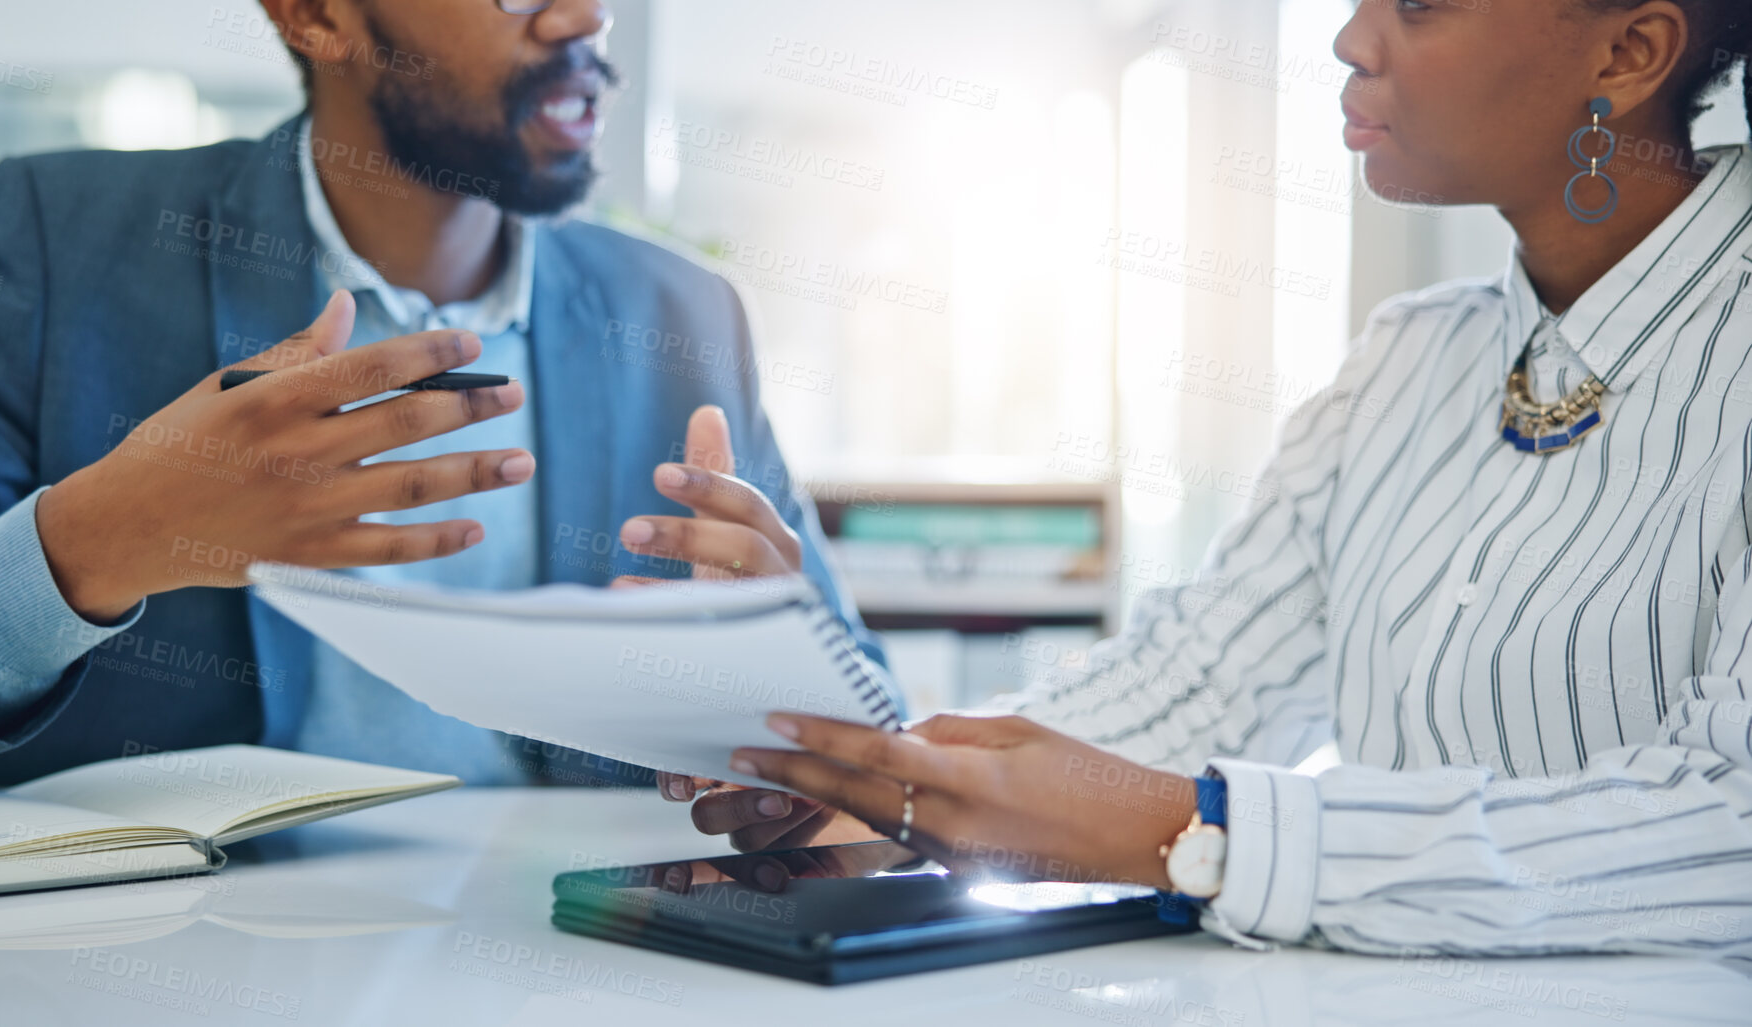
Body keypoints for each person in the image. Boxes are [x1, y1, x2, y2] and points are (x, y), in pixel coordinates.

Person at [655, 0, 1752, 957]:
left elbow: (1727, 831)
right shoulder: (1409, 361)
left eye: (1421, 2)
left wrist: (1194, 831)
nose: (1351, 36)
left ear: (1630, 52)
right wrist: (882, 784)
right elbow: (1202, 678)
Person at [0, 0, 880, 795]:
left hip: (560, 961)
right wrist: (87, 548)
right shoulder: (69, 240)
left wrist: (784, 703)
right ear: (316, 16)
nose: (585, 18)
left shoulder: (679, 315)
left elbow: (869, 735)